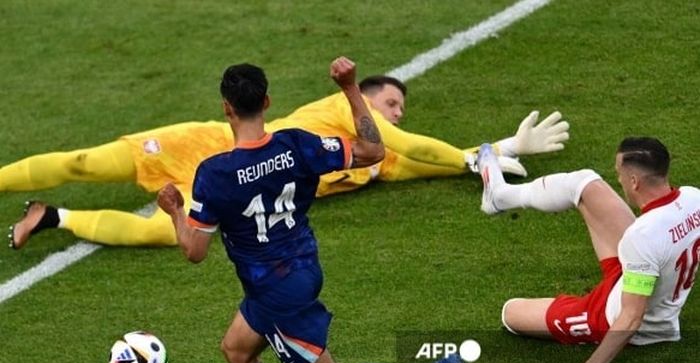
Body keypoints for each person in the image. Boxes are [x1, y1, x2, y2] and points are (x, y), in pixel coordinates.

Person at [157, 57, 487, 363]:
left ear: (226, 108)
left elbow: (194, 251)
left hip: (276, 292)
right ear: (267, 101)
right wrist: (350, 87)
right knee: (237, 350)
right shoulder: (297, 145)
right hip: (301, 268)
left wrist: (173, 210)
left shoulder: (215, 174)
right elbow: (372, 150)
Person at [6, 73, 569, 249]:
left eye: (401, 108)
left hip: (243, 186)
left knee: (168, 235)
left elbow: (426, 161)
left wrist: (498, 150)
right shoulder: (340, 109)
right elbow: (415, 147)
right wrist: (480, 163)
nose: (396, 113)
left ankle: (52, 217)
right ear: (365, 98)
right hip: (206, 146)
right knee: (85, 164)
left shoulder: (378, 157)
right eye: (390, 102)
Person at [475, 137, 700, 363]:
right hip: (637, 272)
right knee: (584, 183)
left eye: (619, 174)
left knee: (510, 313)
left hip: (612, 316)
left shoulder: (642, 236)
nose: (618, 181)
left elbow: (630, 317)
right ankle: (499, 196)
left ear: (634, 181)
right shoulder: (693, 198)